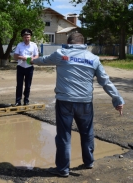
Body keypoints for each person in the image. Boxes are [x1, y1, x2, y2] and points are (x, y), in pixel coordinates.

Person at [31, 32, 124, 177]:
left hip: (65, 102)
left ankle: (63, 169)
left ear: (68, 42)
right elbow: (105, 81)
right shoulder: (93, 58)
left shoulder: (61, 54)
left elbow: (43, 60)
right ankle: (89, 162)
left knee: (64, 136)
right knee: (87, 133)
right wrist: (117, 100)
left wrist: (32, 61)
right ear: (83, 43)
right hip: (85, 103)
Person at [13, 28, 39, 106]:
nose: (26, 38)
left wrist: (33, 58)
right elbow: (15, 56)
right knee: (19, 85)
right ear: (22, 37)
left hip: (29, 67)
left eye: (28, 37)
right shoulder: (19, 45)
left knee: (28, 85)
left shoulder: (34, 45)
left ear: (30, 37)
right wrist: (22, 57)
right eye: (25, 37)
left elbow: (37, 55)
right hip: (21, 67)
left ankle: (26, 100)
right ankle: (18, 101)